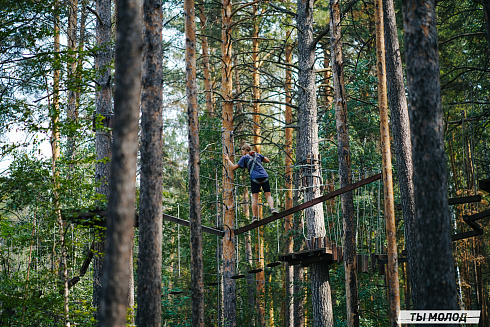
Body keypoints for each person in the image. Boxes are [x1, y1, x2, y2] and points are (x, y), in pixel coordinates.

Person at [224, 143, 279, 222]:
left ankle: (254, 217)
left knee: (254, 198)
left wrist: (227, 159)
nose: (241, 153)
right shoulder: (257, 155)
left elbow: (233, 168)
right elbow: (267, 160)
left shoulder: (245, 157)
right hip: (264, 176)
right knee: (268, 195)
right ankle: (272, 208)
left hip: (255, 179)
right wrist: (261, 157)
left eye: (242, 151)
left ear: (245, 150)